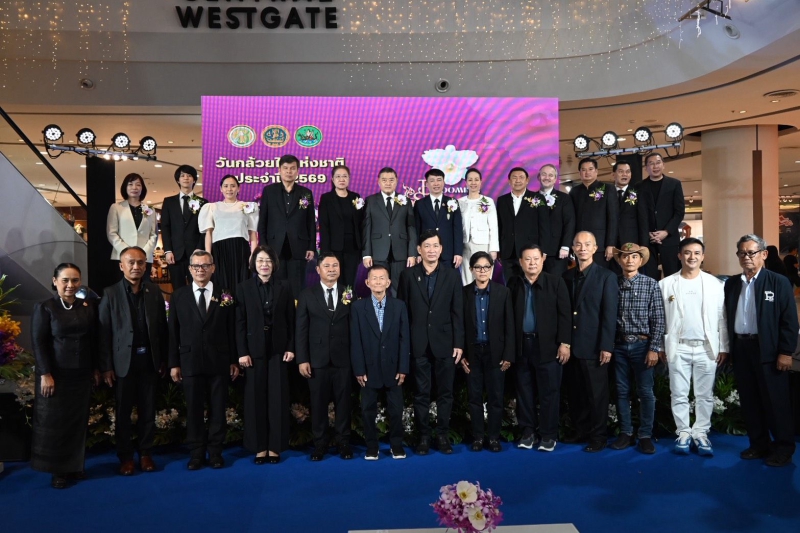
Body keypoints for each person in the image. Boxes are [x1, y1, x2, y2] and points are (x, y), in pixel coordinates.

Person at [724, 234, 798, 467]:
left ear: (764, 254)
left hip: (769, 351)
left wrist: (786, 352)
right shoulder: (732, 284)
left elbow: (789, 320)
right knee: (750, 401)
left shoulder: (778, 282)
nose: (747, 257)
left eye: (752, 252)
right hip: (741, 348)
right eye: (742, 253)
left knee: (776, 402)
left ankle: (783, 448)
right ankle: (758, 444)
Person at [98, 246, 168, 475]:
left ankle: (146, 453)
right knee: (123, 413)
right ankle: (126, 457)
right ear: (121, 266)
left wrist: (163, 360)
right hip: (122, 364)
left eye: (140, 262)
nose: (136, 266)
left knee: (148, 410)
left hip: (149, 360)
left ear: (146, 266)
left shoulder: (154, 292)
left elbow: (162, 328)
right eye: (131, 262)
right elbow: (103, 333)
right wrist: (106, 366)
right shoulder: (110, 293)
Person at [169, 250, 240, 470]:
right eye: (196, 266)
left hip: (219, 360)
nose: (201, 270)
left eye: (205, 265)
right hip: (189, 361)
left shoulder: (225, 294)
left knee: (218, 408)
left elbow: (232, 329)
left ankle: (216, 452)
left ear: (213, 268)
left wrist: (233, 360)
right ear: (190, 269)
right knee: (194, 409)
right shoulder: (178, 295)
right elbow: (172, 333)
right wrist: (174, 363)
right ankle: (197, 453)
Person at [658, 238, 728, 456]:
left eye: (697, 253)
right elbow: (660, 319)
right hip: (678, 347)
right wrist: (660, 346)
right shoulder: (666, 284)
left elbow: (722, 318)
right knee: (678, 393)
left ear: (703, 256)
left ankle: (701, 433)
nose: (692, 257)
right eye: (687, 252)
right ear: (679, 255)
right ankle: (683, 433)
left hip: (706, 348)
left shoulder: (715, 284)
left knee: (704, 395)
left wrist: (723, 346)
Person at [397, 229, 464, 455]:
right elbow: (403, 312)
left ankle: (443, 435)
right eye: (427, 246)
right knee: (421, 393)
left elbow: (458, 312)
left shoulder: (452, 275)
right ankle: (424, 436)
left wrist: (459, 343)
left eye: (435, 246)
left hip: (445, 342)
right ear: (419, 249)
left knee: (445, 393)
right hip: (418, 343)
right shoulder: (407, 275)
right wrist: (404, 344)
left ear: (441, 249)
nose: (431, 250)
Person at [31, 263, 98, 489]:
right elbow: (38, 343)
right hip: (55, 376)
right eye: (65, 280)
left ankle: (75, 465)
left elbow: (93, 340)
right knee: (56, 423)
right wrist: (45, 373)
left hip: (81, 374)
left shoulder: (87, 306)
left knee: (77, 422)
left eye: (75, 280)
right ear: (55, 281)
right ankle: (58, 470)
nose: (70, 285)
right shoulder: (45, 307)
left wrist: (95, 369)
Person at [507, 244, 571, 452]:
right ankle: (528, 432)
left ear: (543, 259)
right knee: (524, 391)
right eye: (528, 259)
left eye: (536, 258)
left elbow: (565, 315)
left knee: (549, 392)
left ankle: (548, 435)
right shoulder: (514, 283)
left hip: (548, 346)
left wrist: (565, 343)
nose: (532, 263)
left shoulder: (555, 282)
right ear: (521, 262)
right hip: (521, 345)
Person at [235, 245, 296, 464]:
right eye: (260, 260)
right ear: (254, 264)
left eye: (268, 260)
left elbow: (291, 320)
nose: (264, 264)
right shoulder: (243, 287)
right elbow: (239, 322)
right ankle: (259, 447)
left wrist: (291, 347)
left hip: (278, 350)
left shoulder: (285, 286)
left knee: (277, 398)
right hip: (254, 351)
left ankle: (275, 446)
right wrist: (242, 352)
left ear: (274, 264)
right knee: (255, 399)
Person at [562, 231, 619, 452]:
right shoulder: (566, 277)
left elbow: (609, 314)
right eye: (578, 244)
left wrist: (606, 346)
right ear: (573, 249)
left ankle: (599, 436)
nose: (582, 248)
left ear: (595, 248)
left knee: (597, 395)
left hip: (595, 346)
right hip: (571, 347)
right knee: (576, 393)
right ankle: (580, 431)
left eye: (587, 244)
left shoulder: (607, 276)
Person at [296, 252, 353, 461]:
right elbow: (301, 330)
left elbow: (353, 328)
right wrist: (302, 359)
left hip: (343, 359)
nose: (331, 269)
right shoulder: (307, 295)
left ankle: (343, 442)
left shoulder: (349, 293)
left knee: (343, 404)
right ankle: (320, 444)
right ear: (318, 270)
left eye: (335, 265)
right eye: (327, 266)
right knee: (318, 404)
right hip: (317, 360)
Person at [609, 243, 666, 454]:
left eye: (634, 256)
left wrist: (654, 348)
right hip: (619, 345)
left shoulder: (651, 284)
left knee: (645, 392)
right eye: (625, 256)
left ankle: (645, 435)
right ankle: (626, 432)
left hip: (643, 345)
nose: (629, 260)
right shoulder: (612, 283)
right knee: (622, 391)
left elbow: (658, 319)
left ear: (640, 261)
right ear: (619, 260)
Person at [350, 264, 411, 460]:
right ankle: (371, 446)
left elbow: (404, 339)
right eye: (374, 278)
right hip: (368, 368)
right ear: (367, 282)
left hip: (394, 367)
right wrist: (359, 369)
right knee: (368, 410)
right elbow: (355, 340)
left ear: (388, 282)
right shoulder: (358, 307)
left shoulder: (399, 306)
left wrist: (403, 367)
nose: (378, 281)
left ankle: (396, 445)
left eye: (382, 278)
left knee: (396, 409)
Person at [461, 252, 514, 452]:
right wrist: (462, 355)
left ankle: (493, 438)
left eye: (486, 267)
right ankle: (477, 437)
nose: (482, 271)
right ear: (471, 269)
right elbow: (459, 326)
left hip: (496, 353)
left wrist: (508, 354)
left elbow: (510, 326)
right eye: (478, 267)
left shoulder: (503, 292)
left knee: (496, 398)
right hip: (472, 352)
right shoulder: (464, 293)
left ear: (491, 269)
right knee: (474, 398)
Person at [257, 154, 316, 299]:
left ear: (297, 171)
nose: (289, 171)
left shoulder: (306, 193)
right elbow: (263, 220)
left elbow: (310, 222)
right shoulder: (269, 191)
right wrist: (263, 246)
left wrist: (311, 247)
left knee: (297, 288)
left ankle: (297, 312)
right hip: (274, 247)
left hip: (299, 247)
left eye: (292, 168)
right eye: (285, 168)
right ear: (279, 170)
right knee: (276, 288)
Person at [362, 167, 417, 296]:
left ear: (396, 181)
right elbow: (366, 228)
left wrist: (412, 254)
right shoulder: (370, 201)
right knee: (379, 287)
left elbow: (411, 228)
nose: (388, 183)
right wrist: (366, 254)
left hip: (400, 252)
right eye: (384, 180)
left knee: (399, 288)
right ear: (378, 182)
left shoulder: (406, 201)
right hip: (378, 252)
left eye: (391, 180)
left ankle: (398, 309)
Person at [198, 174, 259, 292]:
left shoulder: (247, 206)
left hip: (241, 250)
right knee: (221, 282)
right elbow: (209, 234)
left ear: (238, 188)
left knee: (242, 283)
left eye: (233, 186)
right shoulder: (212, 207)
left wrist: (253, 254)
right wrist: (208, 255)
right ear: (221, 189)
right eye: (226, 186)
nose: (229, 189)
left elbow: (253, 233)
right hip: (219, 250)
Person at [496, 167, 550, 281]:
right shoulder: (502, 200)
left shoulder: (537, 198)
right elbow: (499, 226)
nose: (518, 180)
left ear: (527, 180)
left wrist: (543, 250)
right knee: (510, 284)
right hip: (508, 252)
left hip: (530, 251)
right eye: (514, 177)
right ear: (509, 181)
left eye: (521, 177)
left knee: (530, 283)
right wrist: (498, 249)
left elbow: (544, 226)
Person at [637, 153, 685, 278]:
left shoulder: (674, 184)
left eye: (658, 163)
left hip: (669, 239)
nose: (655, 166)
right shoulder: (639, 187)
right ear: (646, 168)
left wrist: (666, 231)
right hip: (647, 240)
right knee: (649, 277)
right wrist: (647, 232)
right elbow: (637, 213)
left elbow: (679, 212)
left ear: (663, 165)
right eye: (651, 163)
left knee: (672, 275)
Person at [161, 165, 207, 290]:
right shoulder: (169, 202)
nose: (186, 178)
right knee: (178, 289)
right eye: (182, 176)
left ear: (194, 180)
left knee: (198, 287)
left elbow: (205, 229)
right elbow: (165, 227)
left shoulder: (203, 203)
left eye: (189, 175)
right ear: (178, 180)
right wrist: (168, 251)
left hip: (196, 253)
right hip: (175, 254)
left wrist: (200, 249)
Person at [318, 165, 365, 288]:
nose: (341, 179)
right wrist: (325, 252)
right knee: (335, 281)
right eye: (338, 176)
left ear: (349, 178)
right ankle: (336, 301)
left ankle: (348, 300)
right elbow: (324, 226)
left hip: (353, 248)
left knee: (350, 281)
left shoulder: (355, 197)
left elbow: (361, 223)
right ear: (332, 179)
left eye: (345, 176)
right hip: (334, 248)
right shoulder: (326, 198)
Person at [106, 173, 158, 281]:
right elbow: (112, 233)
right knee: (122, 287)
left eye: (138, 185)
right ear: (125, 187)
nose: (134, 187)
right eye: (130, 184)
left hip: (144, 257)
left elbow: (154, 234)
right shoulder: (116, 207)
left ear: (142, 188)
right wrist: (127, 252)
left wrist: (143, 253)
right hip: (121, 256)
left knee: (143, 287)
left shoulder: (150, 209)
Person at [569, 158, 618, 268]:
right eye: (583, 170)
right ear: (580, 172)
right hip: (580, 244)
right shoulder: (574, 191)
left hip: (600, 244)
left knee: (600, 274)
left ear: (596, 171)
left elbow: (613, 218)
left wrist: (611, 244)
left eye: (590, 169)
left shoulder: (607, 189)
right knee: (581, 272)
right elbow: (571, 219)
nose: (587, 172)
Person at [414, 168, 463, 269]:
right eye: (432, 181)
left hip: (448, 254)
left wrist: (458, 252)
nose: (436, 183)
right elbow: (416, 230)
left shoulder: (452, 202)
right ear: (427, 184)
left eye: (439, 180)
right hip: (427, 253)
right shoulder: (420, 204)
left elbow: (457, 229)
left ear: (444, 182)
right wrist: (418, 253)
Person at [458, 168, 500, 285]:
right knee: (467, 275)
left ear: (481, 182)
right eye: (470, 180)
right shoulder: (460, 202)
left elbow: (493, 226)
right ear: (466, 182)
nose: (473, 183)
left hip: (483, 244)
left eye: (476, 180)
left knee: (483, 274)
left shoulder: (488, 201)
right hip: (465, 245)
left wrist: (493, 249)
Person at [612, 161, 652, 277]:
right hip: (610, 243)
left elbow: (643, 220)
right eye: (621, 171)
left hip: (631, 241)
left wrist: (643, 244)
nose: (625, 174)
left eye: (628, 172)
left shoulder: (637, 193)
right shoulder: (606, 192)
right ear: (613, 174)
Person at [537, 164, 575, 278]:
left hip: (557, 251)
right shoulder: (531, 198)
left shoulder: (564, 198)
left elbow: (569, 222)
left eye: (551, 175)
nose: (547, 178)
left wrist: (565, 246)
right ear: (538, 177)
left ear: (555, 179)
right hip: (535, 251)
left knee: (555, 283)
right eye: (544, 174)